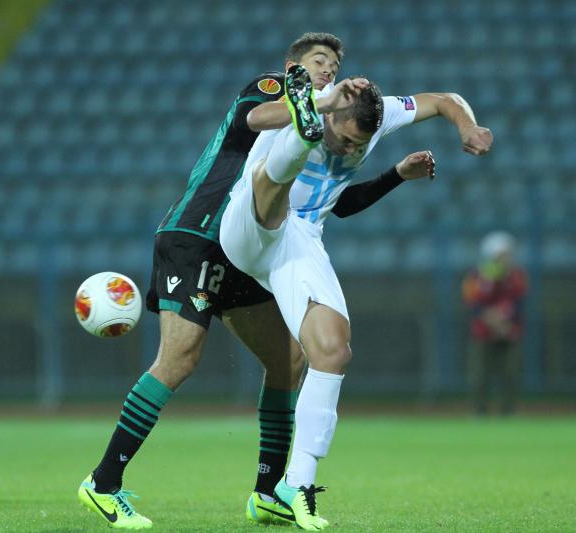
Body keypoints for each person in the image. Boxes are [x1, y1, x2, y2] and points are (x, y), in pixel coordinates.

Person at [77, 32, 436, 530]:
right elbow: (255, 118)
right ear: (293, 66)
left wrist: (392, 172)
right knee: (179, 360)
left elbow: (336, 203)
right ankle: (103, 483)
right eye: (319, 61)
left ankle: (268, 493)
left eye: (334, 67)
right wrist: (316, 103)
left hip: (251, 249)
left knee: (289, 361)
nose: (327, 71)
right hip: (200, 234)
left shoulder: (321, 131)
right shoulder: (274, 89)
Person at [220, 65, 492, 529]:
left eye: (357, 145)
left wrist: (468, 126)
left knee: (333, 351)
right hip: (248, 223)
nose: (348, 149)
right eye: (343, 139)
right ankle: (300, 129)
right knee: (274, 177)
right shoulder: (319, 104)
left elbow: (444, 99)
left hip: (300, 239)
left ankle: (297, 484)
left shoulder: (381, 114)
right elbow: (251, 119)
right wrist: (318, 103)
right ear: (331, 114)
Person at [462, 231, 527, 415]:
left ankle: (508, 412)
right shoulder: (475, 277)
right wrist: (494, 322)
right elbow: (474, 305)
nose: (507, 258)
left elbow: (520, 303)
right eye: (502, 254)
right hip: (483, 333)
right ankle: (478, 411)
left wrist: (505, 326)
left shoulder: (517, 276)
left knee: (511, 374)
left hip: (509, 332)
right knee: (479, 375)